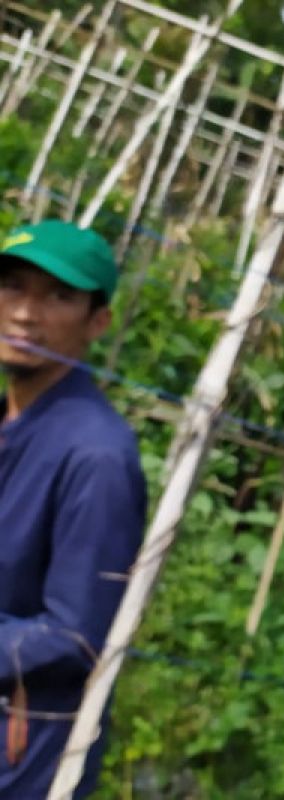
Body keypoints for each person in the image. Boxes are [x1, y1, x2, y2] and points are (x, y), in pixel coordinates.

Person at [0, 220, 146, 798]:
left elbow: (77, 634)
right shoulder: (10, 422)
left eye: (59, 296)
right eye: (12, 286)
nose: (26, 314)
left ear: (99, 322)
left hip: (23, 754)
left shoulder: (96, 455)